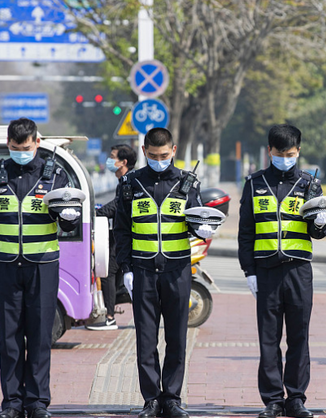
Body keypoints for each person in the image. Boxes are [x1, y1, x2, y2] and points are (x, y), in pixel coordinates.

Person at [0, 118, 82, 418]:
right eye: (14, 148)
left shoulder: (55, 174)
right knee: (8, 338)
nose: (20, 152)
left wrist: (70, 216)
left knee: (39, 337)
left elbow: (68, 221)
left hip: (43, 268)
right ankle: (11, 403)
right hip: (6, 267)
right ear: (7, 144)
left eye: (25, 147)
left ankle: (36, 403)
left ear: (37, 142)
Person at [114, 127, 212, 418]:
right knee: (145, 339)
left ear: (174, 151)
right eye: (154, 156)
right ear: (144, 152)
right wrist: (127, 270)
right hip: (142, 271)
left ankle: (172, 398)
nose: (159, 160)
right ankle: (151, 399)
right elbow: (121, 231)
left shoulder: (187, 183)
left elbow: (197, 218)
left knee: (176, 338)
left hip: (177, 270)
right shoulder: (130, 184)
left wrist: (203, 229)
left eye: (165, 155)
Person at [238, 124, 326, 418]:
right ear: (270, 151)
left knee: (298, 337)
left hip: (298, 271)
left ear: (298, 152)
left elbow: (320, 231)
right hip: (266, 271)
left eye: (290, 154)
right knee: (268, 338)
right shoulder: (254, 184)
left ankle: (296, 398)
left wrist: (320, 224)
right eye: (280, 153)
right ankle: (272, 400)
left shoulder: (309, 185)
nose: (285, 158)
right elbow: (245, 232)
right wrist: (249, 272)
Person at [86, 144, 137, 331]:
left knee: (108, 272)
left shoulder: (129, 181)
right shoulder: (123, 180)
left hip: (125, 237)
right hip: (118, 234)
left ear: (123, 162)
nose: (109, 160)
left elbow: (118, 205)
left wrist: (96, 213)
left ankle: (109, 318)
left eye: (112, 156)